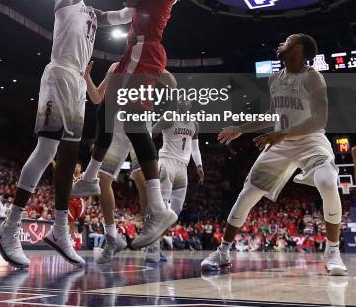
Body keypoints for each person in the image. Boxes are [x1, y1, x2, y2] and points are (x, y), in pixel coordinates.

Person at [0, 0, 133, 268]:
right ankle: (10, 227)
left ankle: (59, 229)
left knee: (68, 157)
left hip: (76, 82)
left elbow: (125, 16)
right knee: (44, 151)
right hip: (59, 74)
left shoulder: (91, 14)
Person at [72, 0, 190, 249]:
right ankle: (93, 176)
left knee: (132, 123)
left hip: (145, 53)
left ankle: (157, 207)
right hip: (137, 51)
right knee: (108, 111)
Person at [201, 33, 347, 276]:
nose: (281, 44)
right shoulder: (274, 78)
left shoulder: (312, 77)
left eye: (286, 41)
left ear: (298, 48)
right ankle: (223, 251)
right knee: (247, 195)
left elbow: (320, 120)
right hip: (280, 145)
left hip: (310, 141)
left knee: (328, 182)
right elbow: (272, 114)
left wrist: (283, 134)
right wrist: (240, 129)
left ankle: (333, 252)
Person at [85, 54, 176, 264]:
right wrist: (86, 77)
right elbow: (97, 98)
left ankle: (152, 242)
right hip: (115, 127)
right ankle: (112, 238)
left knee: (141, 179)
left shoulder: (148, 63)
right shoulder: (115, 67)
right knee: (102, 181)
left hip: (137, 122)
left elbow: (171, 82)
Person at [146, 96, 204, 262]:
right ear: (177, 104)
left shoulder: (195, 124)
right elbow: (151, 134)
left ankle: (153, 237)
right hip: (166, 162)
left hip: (183, 167)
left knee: (176, 210)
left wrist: (199, 166)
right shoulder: (169, 117)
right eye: (181, 101)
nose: (184, 103)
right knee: (162, 204)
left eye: (186, 101)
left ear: (191, 105)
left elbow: (195, 148)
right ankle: (153, 247)